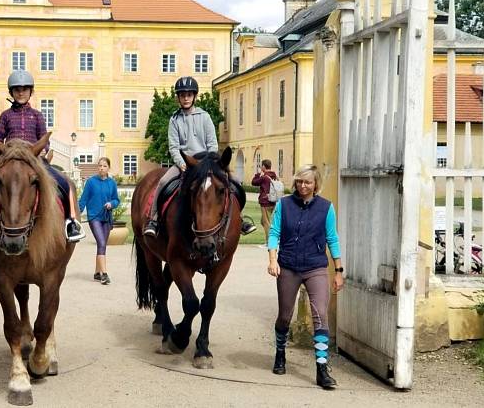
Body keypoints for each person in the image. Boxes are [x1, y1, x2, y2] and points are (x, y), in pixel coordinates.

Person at [0, 70, 85, 242]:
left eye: (25, 89)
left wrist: (44, 149)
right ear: (11, 92)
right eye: (17, 89)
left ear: (30, 91)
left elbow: (44, 139)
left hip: (34, 160)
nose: (21, 92)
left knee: (63, 183)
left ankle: (70, 222)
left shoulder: (37, 116)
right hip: (9, 159)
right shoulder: (5, 116)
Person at [143, 76, 256, 237]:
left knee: (234, 183)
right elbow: (174, 147)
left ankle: (240, 218)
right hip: (185, 163)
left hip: (207, 162)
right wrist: (182, 164)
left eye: (189, 94)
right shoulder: (174, 120)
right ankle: (153, 220)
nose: (186, 98)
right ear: (178, 98)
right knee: (162, 182)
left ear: (194, 96)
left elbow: (213, 144)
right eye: (182, 95)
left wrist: (210, 164)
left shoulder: (205, 116)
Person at [266, 164, 344, 390]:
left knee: (320, 313)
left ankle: (322, 369)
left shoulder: (326, 208)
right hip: (288, 266)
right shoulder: (284, 204)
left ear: (315, 185)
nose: (302, 186)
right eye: (299, 181)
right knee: (284, 315)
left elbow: (333, 239)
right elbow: (274, 233)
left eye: (307, 182)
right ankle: (280, 353)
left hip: (315, 266)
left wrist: (338, 271)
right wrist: (273, 260)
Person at [78, 157, 119, 285]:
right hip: (94, 217)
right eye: (100, 165)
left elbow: (116, 200)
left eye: (104, 166)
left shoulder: (112, 183)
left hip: (106, 217)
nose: (101, 168)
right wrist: (76, 214)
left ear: (108, 168)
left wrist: (111, 204)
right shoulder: (91, 182)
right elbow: (83, 199)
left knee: (102, 245)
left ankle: (97, 272)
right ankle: (104, 274)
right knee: (101, 242)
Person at [252, 159, 279, 247]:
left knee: (266, 222)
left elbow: (254, 182)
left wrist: (258, 174)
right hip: (273, 201)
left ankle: (269, 242)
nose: (260, 167)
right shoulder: (274, 176)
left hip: (265, 201)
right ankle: (275, 239)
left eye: (261, 165)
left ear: (264, 166)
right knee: (263, 221)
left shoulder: (264, 177)